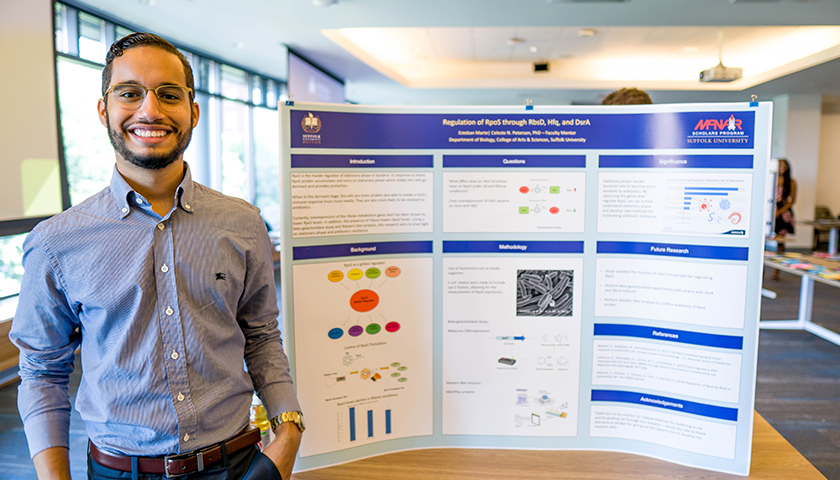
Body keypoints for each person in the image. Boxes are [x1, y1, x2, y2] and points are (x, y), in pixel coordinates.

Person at [11, 33, 303, 480]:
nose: (150, 110)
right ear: (103, 109)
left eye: (169, 95)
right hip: (118, 471)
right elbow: (42, 373)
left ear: (193, 111)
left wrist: (289, 431)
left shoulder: (243, 223)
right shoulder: (56, 242)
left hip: (239, 465)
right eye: (130, 93)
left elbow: (262, 335)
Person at [772, 158, 796, 280]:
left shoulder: (791, 182)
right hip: (770, 210)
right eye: (779, 165)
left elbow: (792, 201)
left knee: (780, 243)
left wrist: (780, 211)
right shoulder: (771, 179)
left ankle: (777, 271)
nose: (781, 167)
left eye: (784, 165)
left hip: (783, 214)